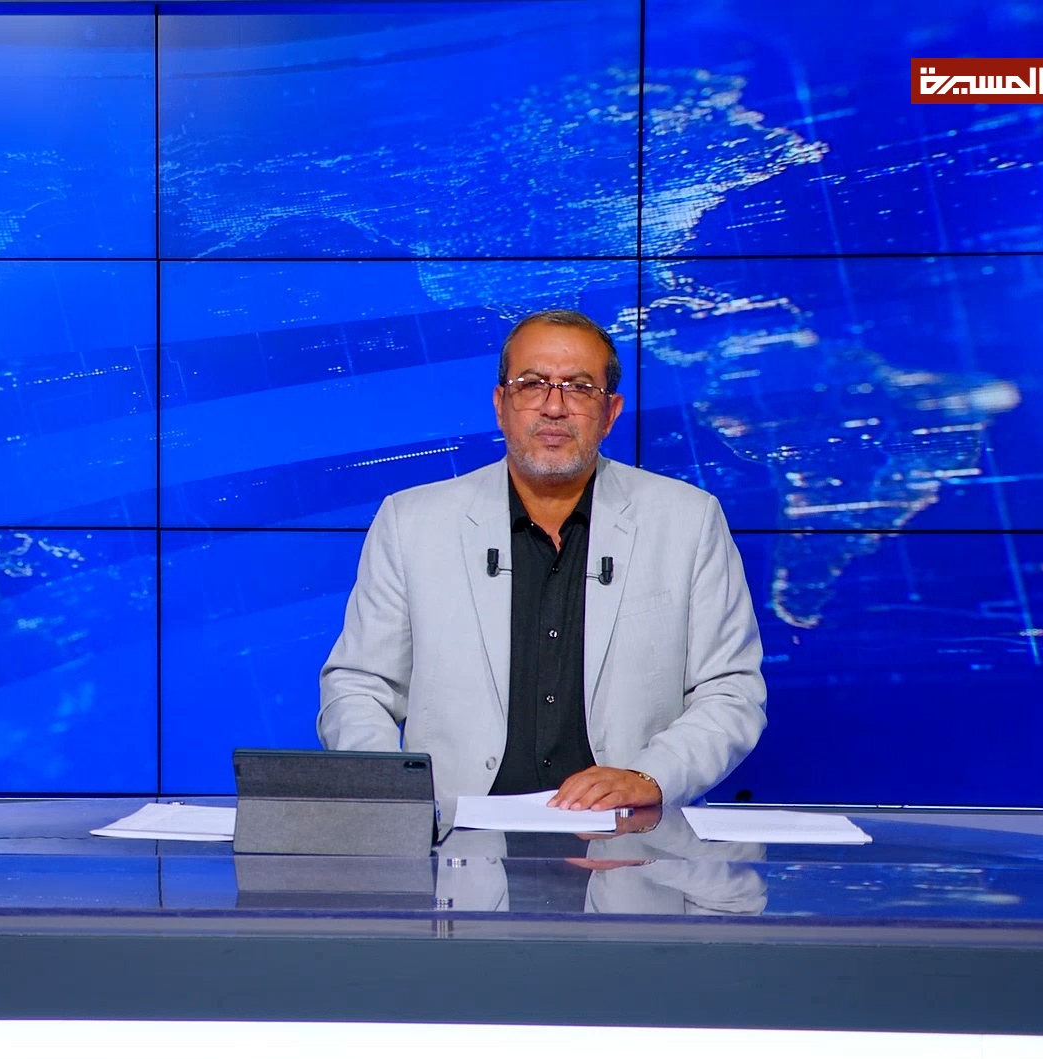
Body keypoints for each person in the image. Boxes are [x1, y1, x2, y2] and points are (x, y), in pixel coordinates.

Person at [318, 309, 766, 817]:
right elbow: (358, 686)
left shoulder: (687, 520)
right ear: (500, 405)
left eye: (579, 388)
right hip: (456, 834)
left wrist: (650, 777)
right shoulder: (412, 522)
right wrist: (397, 798)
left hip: (628, 838)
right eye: (532, 385)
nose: (554, 408)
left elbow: (731, 691)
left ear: (611, 412)